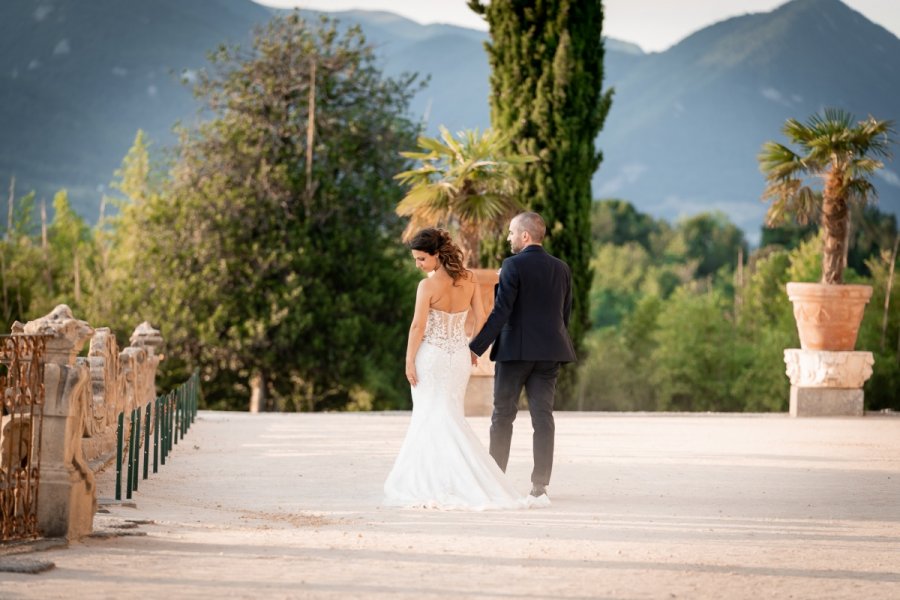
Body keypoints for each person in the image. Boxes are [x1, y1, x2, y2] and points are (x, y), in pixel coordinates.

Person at [383, 228, 543, 510]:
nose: (418, 265)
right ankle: (460, 478)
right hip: (459, 356)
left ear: (436, 254)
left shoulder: (427, 286)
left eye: (421, 259)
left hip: (430, 357)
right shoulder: (469, 279)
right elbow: (482, 317)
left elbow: (418, 326)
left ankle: (436, 480)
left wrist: (408, 359)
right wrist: (470, 347)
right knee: (450, 414)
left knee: (429, 415)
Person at [469, 212, 577, 501]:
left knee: (502, 415)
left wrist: (475, 347)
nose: (508, 238)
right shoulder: (562, 268)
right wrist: (553, 340)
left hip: (515, 353)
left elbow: (501, 311)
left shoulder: (512, 265)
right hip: (549, 352)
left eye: (511, 233)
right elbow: (564, 313)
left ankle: (495, 479)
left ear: (525, 236)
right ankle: (540, 485)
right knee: (543, 417)